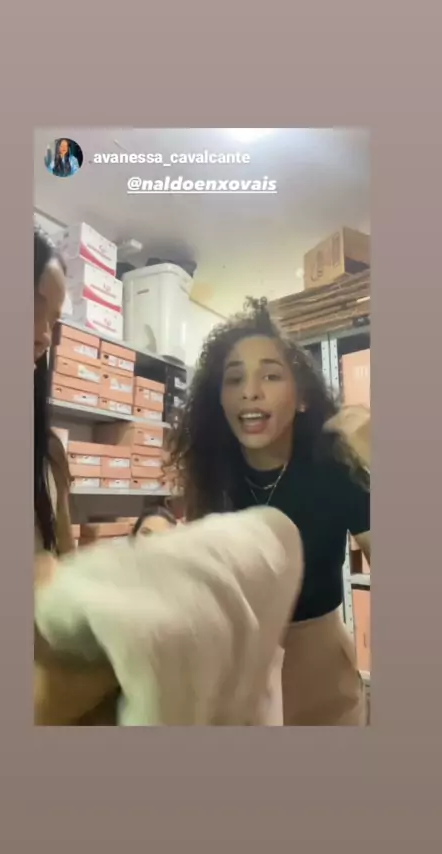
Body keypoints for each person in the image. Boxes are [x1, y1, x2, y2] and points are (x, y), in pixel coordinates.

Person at [168, 297, 371, 726]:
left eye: (271, 375)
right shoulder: (213, 475)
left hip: (321, 678)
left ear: (302, 398)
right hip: (234, 679)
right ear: (219, 401)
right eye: (234, 378)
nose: (250, 391)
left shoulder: (336, 467)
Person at [33, 224, 118, 724]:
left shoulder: (48, 453)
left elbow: (64, 562)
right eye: (32, 306)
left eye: (54, 321)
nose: (44, 334)